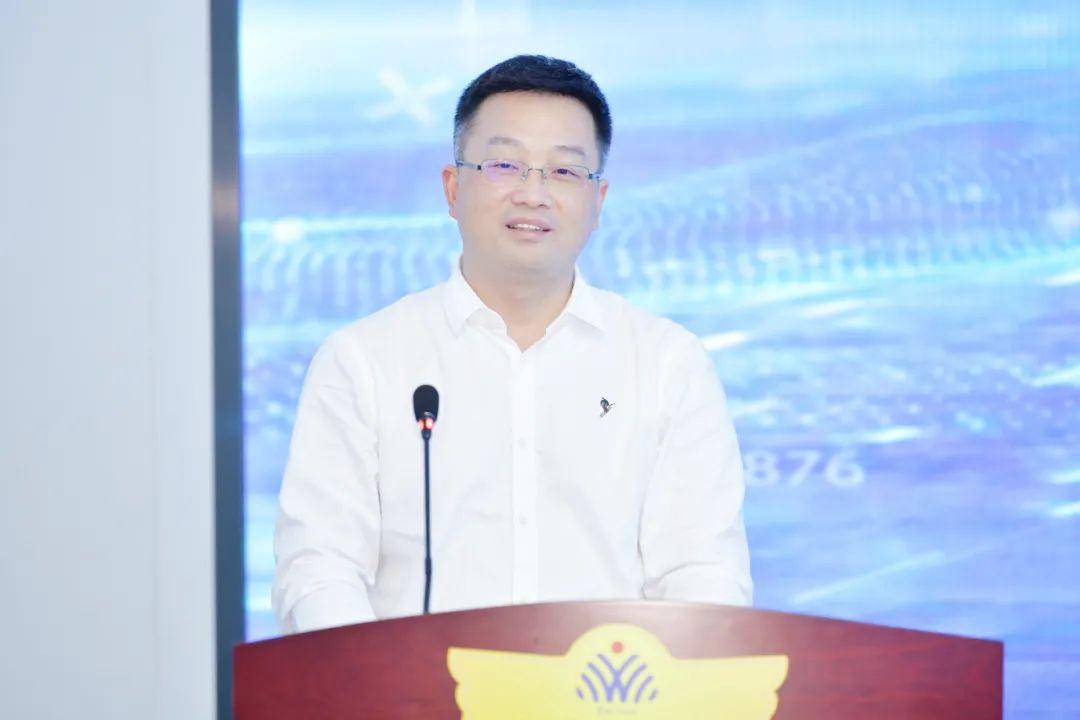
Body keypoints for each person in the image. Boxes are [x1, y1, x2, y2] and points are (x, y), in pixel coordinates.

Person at [272, 55, 751, 634]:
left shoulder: (667, 363)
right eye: (505, 165)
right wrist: (368, 677)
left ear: (598, 201)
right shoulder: (364, 360)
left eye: (564, 171)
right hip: (411, 686)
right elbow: (320, 565)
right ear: (453, 189)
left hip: (610, 683)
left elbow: (702, 572)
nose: (533, 193)